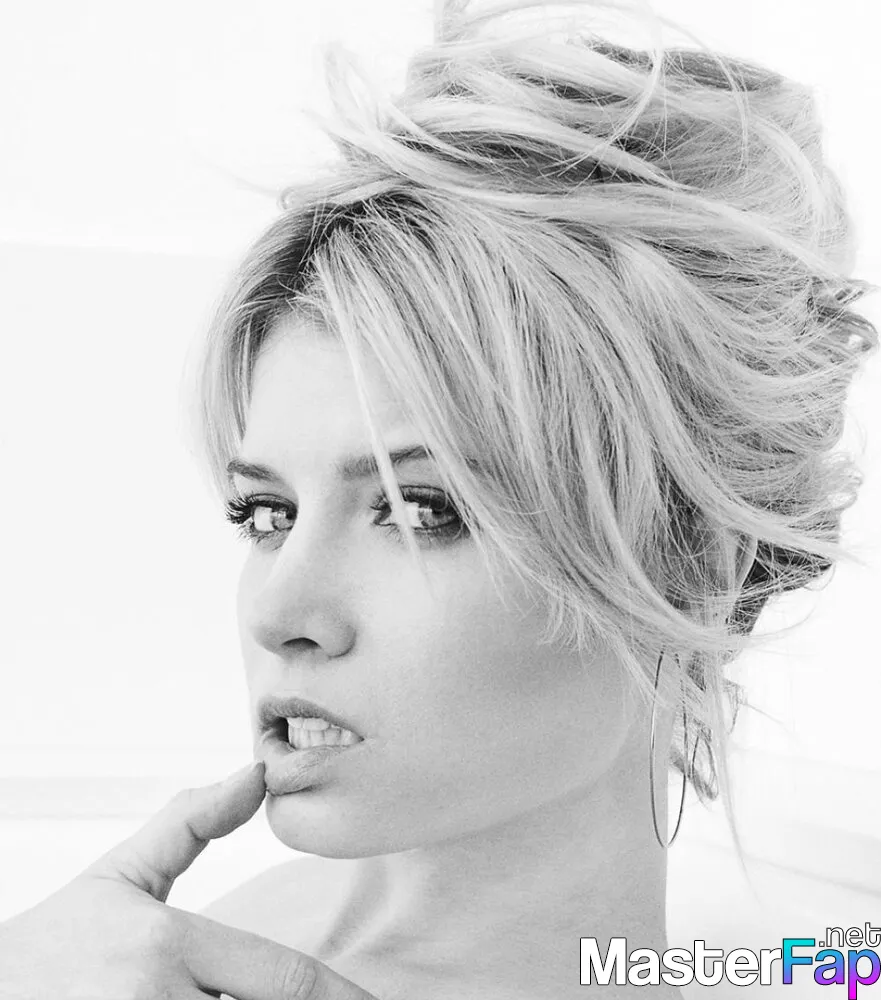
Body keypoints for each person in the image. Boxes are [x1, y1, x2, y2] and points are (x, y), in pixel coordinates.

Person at [1, 0, 877, 997]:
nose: (278, 613)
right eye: (268, 514)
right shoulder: (116, 956)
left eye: (420, 509)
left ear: (698, 569)